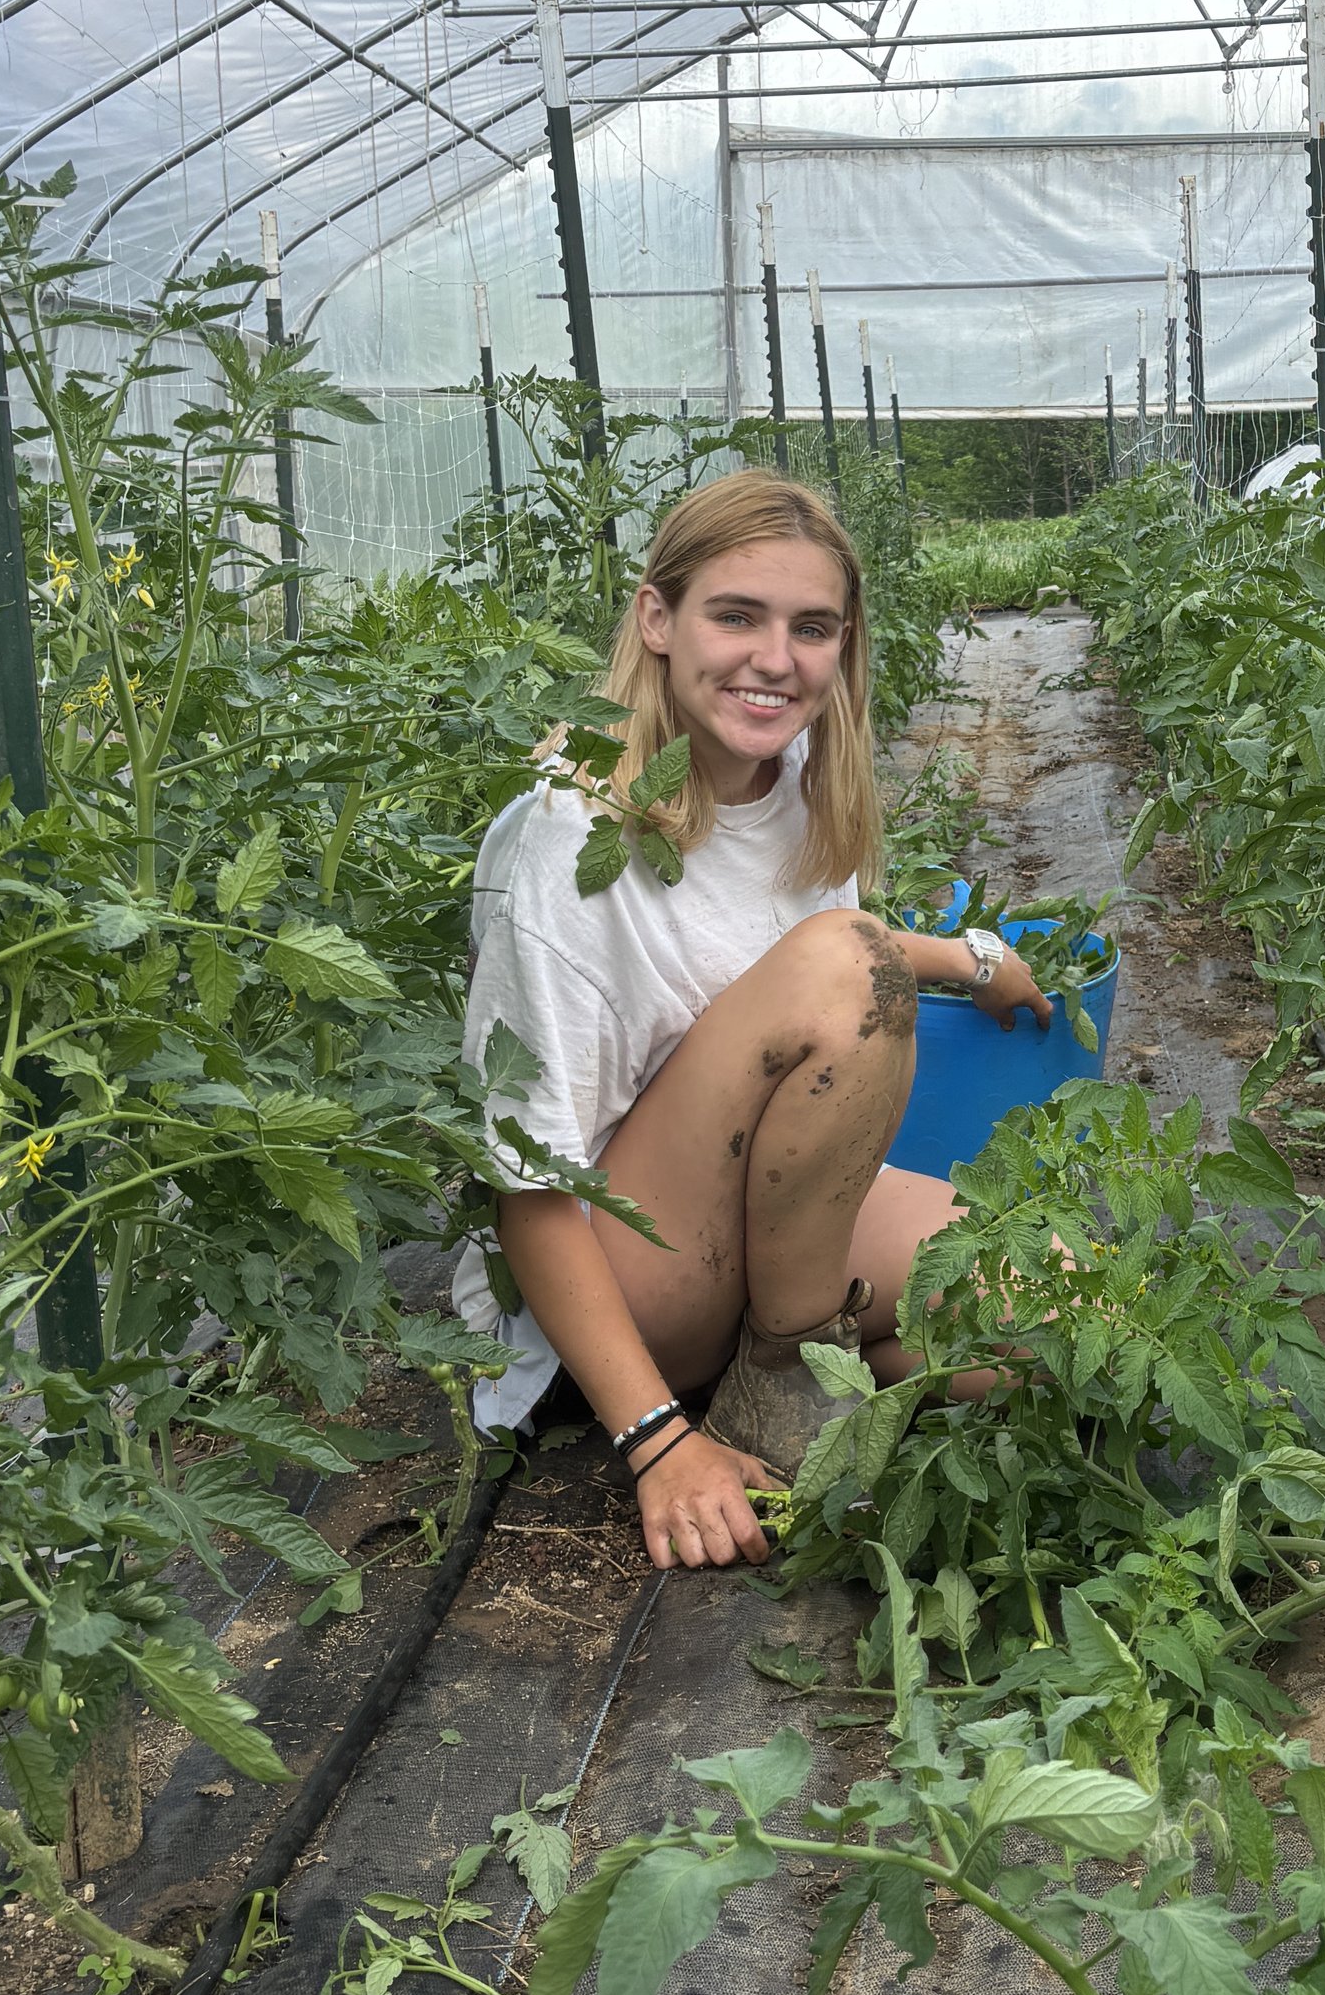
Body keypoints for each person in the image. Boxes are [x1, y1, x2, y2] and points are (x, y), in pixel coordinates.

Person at [447, 471, 1051, 1574]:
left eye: (811, 628)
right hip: (627, 1277)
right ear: (657, 619)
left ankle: (822, 1373)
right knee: (848, 964)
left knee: (1056, 1314)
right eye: (737, 615)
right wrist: (654, 1444)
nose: (776, 660)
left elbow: (769, 966)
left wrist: (973, 959)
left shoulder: (804, 779)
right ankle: (771, 1386)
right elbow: (528, 1181)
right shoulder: (569, 837)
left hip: (773, 1233)